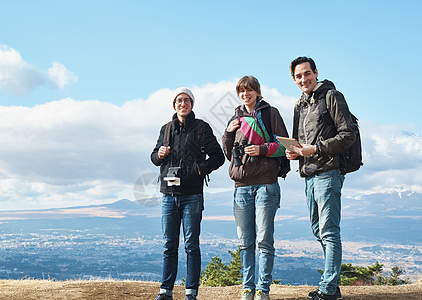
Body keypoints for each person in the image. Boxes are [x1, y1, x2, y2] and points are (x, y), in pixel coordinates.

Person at [286, 57, 356, 300]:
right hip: (309, 173)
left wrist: (315, 149)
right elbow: (299, 141)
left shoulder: (332, 97)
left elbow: (348, 135)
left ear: (316, 72)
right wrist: (294, 152)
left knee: (328, 230)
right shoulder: (300, 105)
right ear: (294, 79)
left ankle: (328, 289)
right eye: (298, 76)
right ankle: (332, 285)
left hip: (329, 171)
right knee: (318, 229)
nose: (303, 79)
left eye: (307, 74)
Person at [151, 87, 225, 300]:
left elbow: (218, 157)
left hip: (192, 194)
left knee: (192, 245)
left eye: (186, 100)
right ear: (174, 105)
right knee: (169, 245)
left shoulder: (201, 128)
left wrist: (199, 169)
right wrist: (159, 154)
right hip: (168, 195)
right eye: (179, 101)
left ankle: (191, 293)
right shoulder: (166, 129)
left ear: (192, 104)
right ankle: (166, 291)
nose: (182, 104)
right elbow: (154, 158)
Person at [222, 76, 289, 300]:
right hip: (241, 186)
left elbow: (285, 146)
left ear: (257, 92)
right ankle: (247, 288)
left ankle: (263, 290)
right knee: (245, 242)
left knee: (264, 240)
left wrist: (261, 150)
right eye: (241, 91)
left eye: (249, 90)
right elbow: (228, 152)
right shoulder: (235, 117)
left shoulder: (271, 114)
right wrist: (228, 133)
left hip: (266, 185)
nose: (245, 94)